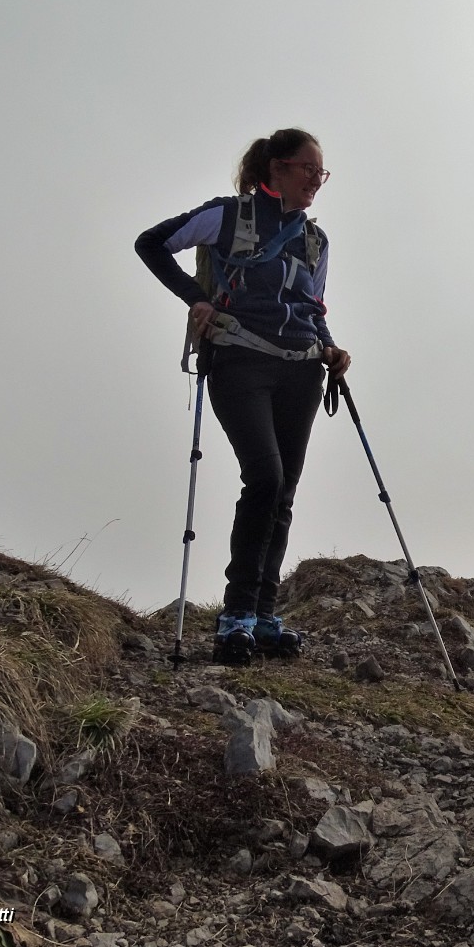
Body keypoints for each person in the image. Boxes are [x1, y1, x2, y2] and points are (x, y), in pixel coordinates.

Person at [135, 128, 351, 662]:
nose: (316, 182)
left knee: (283, 492)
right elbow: (151, 243)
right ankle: (236, 615)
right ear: (276, 167)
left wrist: (329, 348)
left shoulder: (315, 240)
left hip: (301, 369)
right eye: (308, 170)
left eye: (321, 174)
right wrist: (195, 298)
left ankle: (263, 616)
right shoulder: (228, 215)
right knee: (266, 477)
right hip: (239, 358)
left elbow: (313, 304)